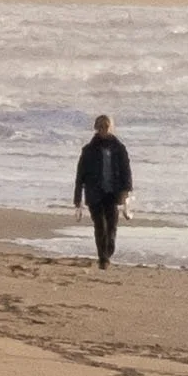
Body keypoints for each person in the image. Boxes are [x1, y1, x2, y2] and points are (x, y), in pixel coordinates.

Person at [73, 114, 133, 269]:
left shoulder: (119, 148)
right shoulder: (88, 150)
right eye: (100, 127)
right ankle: (103, 258)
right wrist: (77, 197)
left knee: (112, 226)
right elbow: (80, 175)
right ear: (96, 128)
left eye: (106, 127)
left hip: (112, 193)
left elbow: (126, 171)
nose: (103, 130)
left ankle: (108, 251)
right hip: (95, 193)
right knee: (100, 225)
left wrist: (126, 191)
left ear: (110, 128)